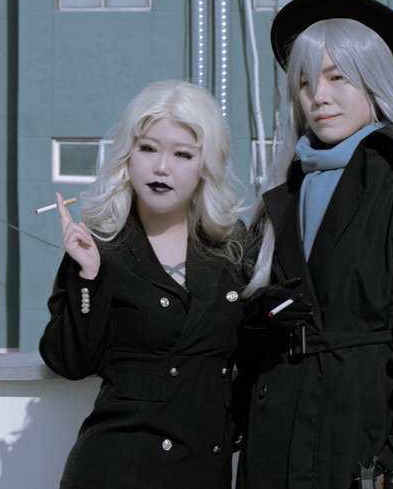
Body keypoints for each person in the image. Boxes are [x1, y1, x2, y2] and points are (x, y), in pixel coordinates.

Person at [235, 0, 393, 489]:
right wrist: (260, 318)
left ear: (374, 81)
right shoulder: (280, 196)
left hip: (365, 446)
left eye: (337, 77)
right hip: (274, 440)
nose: (318, 96)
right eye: (304, 82)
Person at [39, 80, 249, 489]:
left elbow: (256, 352)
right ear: (127, 156)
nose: (161, 167)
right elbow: (69, 362)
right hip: (117, 468)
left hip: (204, 469)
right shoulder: (101, 247)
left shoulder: (232, 247)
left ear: (205, 165)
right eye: (148, 148)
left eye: (182, 154)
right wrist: (88, 277)